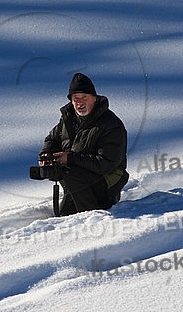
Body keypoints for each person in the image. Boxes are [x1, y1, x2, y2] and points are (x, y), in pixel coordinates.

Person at [39, 73, 129, 216]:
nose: (80, 102)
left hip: (109, 177)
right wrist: (47, 155)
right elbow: (52, 139)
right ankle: (70, 210)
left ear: (94, 98)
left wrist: (70, 158)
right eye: (76, 98)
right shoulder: (68, 119)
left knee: (70, 171)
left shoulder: (111, 124)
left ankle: (91, 214)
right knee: (62, 170)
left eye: (84, 97)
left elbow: (106, 165)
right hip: (79, 174)